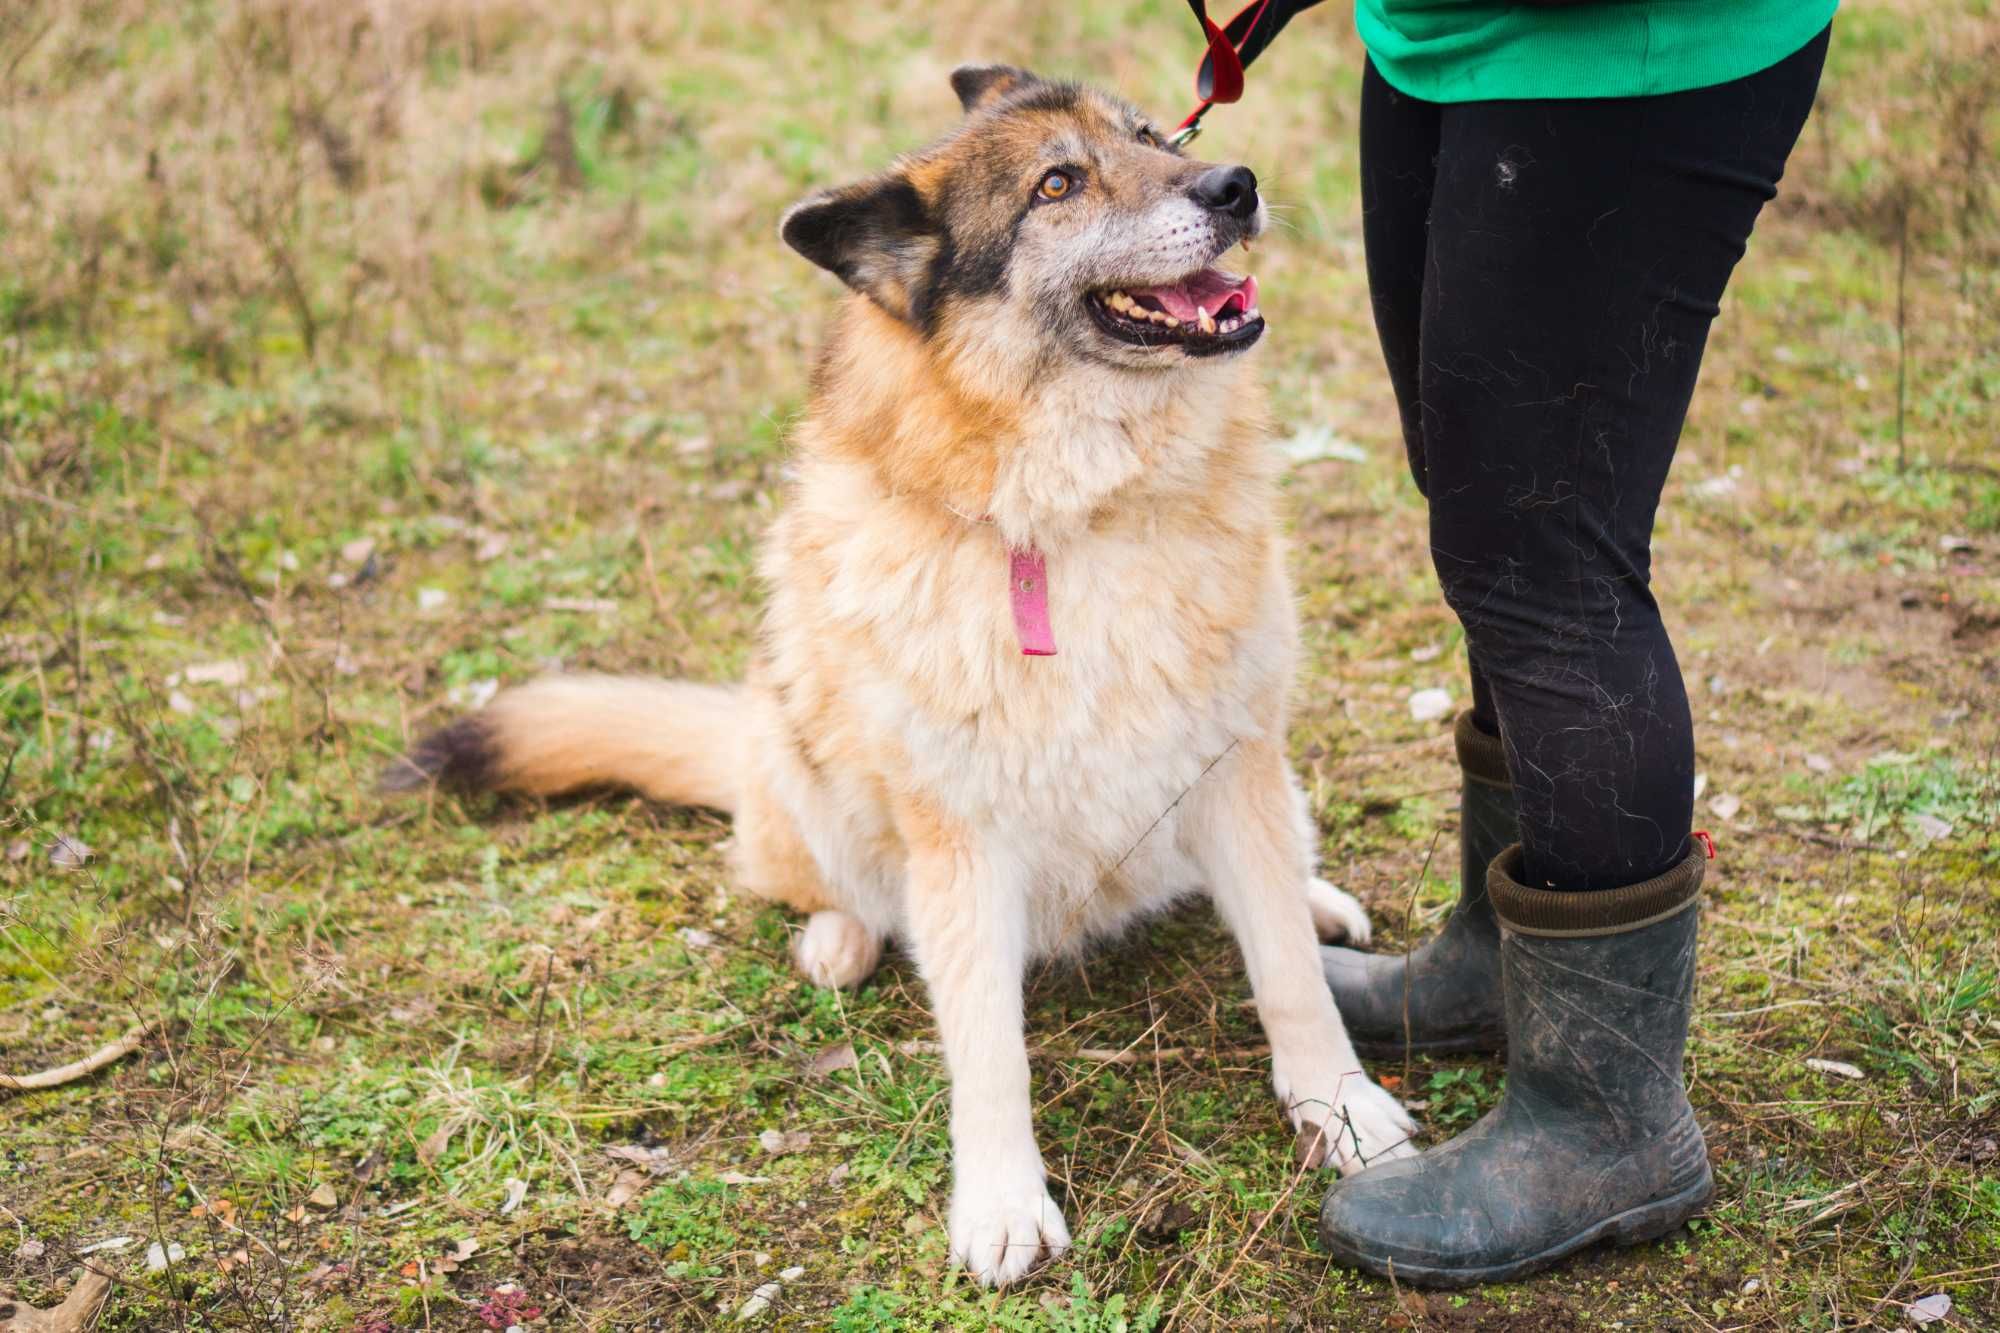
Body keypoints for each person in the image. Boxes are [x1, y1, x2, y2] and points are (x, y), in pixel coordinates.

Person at [1312, 2, 1835, 1287]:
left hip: (1620, 40)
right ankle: (1498, 968)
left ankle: (1605, 1123)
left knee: (1544, 554)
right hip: (1441, 34)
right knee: (1481, 506)